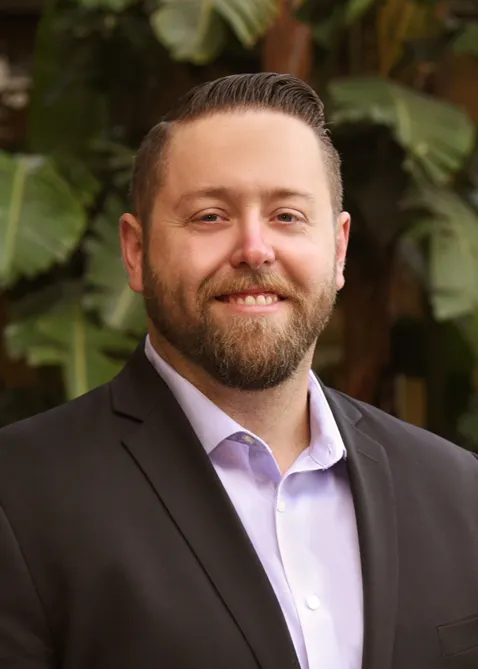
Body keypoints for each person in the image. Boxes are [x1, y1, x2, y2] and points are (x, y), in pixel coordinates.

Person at [0, 72, 477, 669]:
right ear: (135, 252)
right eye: (209, 216)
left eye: (287, 215)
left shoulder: (458, 493)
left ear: (338, 249)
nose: (255, 248)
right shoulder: (19, 497)